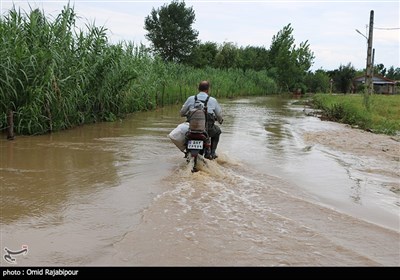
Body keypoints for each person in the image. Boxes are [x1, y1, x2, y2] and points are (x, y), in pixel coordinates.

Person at [180, 81, 223, 159]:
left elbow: (182, 112)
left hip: (192, 129)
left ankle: (187, 152)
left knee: (184, 132)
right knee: (218, 131)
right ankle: (212, 153)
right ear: (208, 90)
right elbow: (219, 114)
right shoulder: (213, 100)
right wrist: (220, 120)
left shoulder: (190, 98)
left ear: (198, 89)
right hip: (207, 130)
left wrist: (185, 115)